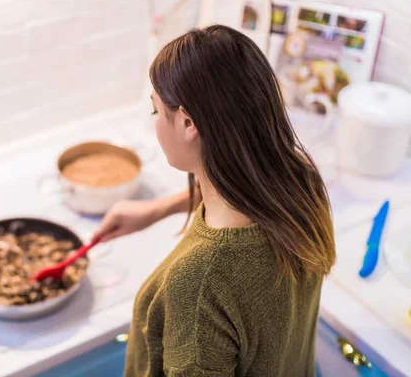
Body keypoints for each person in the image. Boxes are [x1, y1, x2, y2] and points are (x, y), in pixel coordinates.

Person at [92, 25, 335, 377]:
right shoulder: (299, 183)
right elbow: (246, 185)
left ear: (188, 122)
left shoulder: (199, 285)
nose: (156, 124)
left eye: (156, 111)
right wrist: (161, 208)